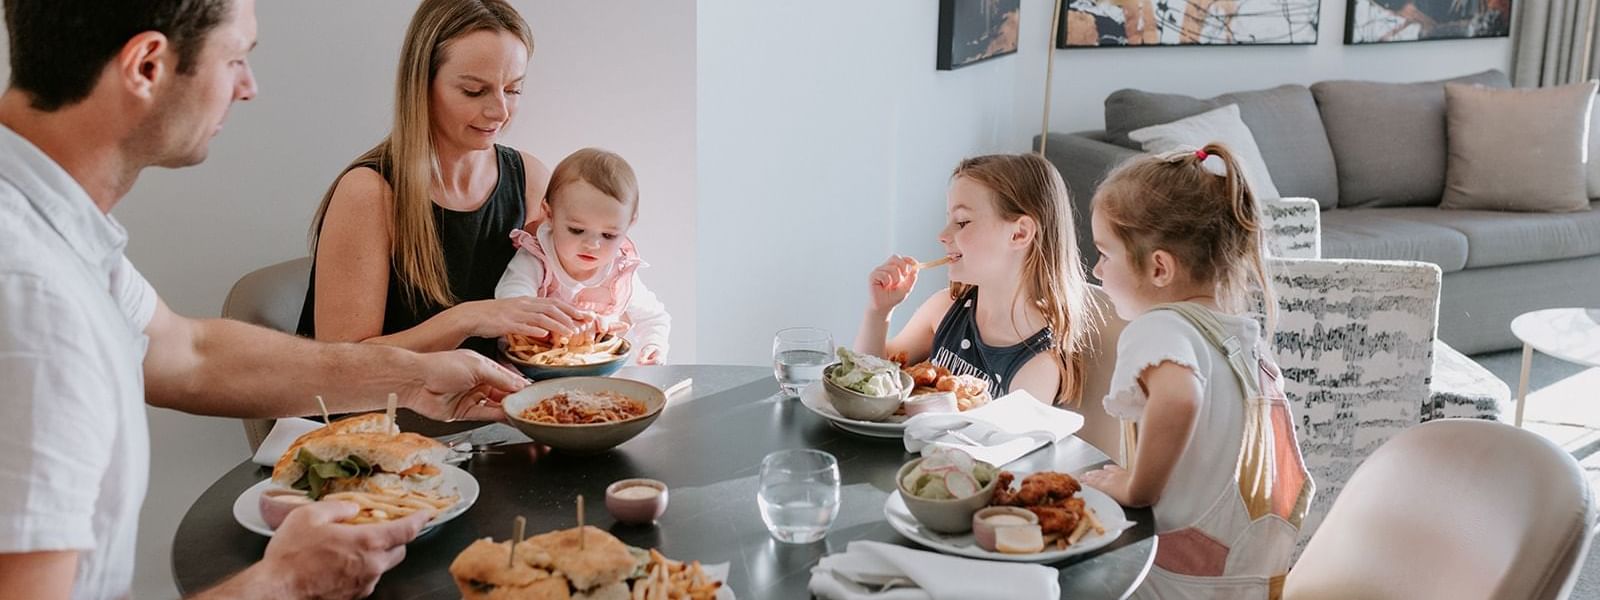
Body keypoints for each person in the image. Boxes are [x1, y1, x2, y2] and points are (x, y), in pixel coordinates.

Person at [0, 1, 526, 598]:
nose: (247, 87)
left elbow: (190, 353)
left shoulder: (54, 233)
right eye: (235, 59)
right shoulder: (33, 298)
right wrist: (283, 580)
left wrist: (410, 376)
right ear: (146, 65)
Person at [1080, 143, 1313, 599]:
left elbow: (1180, 398)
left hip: (1174, 579)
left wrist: (1136, 486)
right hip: (1247, 576)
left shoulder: (1158, 326)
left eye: (1105, 254)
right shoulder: (1243, 340)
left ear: (1159, 267)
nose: (1096, 268)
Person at [300, 0, 591, 360]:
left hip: (484, 407)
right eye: (474, 90)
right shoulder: (368, 194)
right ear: (422, 84)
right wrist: (467, 319)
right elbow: (341, 363)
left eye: (513, 89)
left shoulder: (530, 180)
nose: (499, 111)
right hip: (377, 413)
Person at [854, 153, 1095, 405]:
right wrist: (879, 312)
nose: (942, 235)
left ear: (1019, 234)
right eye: (949, 219)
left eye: (962, 222)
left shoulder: (1038, 363)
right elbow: (867, 381)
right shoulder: (945, 307)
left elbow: (1006, 443)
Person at [495, 148, 671, 364]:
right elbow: (511, 299)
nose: (593, 245)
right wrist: (555, 323)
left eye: (608, 235)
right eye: (577, 230)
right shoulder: (537, 258)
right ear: (549, 214)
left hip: (595, 372)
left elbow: (653, 317)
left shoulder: (618, 271)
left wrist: (653, 345)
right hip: (532, 370)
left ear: (629, 224)